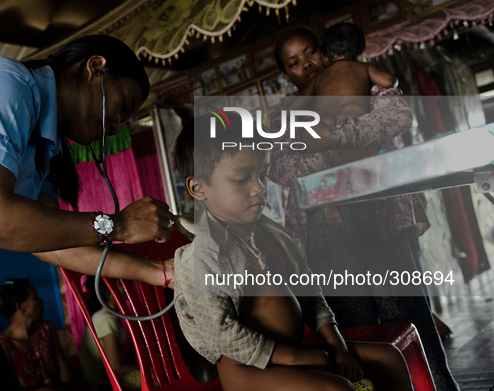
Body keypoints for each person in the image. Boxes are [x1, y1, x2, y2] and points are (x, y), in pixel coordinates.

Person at [0, 34, 175, 390]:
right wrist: (119, 224)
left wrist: (160, 274)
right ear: (95, 68)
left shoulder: (46, 150)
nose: (116, 126)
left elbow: (49, 242)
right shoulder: (5, 82)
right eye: (122, 106)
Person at [270, 27, 460, 391]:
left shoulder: (361, 79)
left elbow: (395, 118)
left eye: (310, 52)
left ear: (325, 51)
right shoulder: (286, 111)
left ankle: (440, 387)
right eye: (294, 62)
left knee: (410, 319)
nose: (306, 64)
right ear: (286, 73)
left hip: (384, 215)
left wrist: (329, 139)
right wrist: (336, 153)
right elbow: (280, 167)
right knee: (358, 330)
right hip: (325, 233)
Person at [172, 114, 414, 391]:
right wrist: (292, 356)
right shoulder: (201, 257)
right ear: (198, 188)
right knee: (336, 389)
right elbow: (219, 333)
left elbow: (312, 297)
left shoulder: (276, 237)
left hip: (294, 355)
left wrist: (337, 345)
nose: (258, 189)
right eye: (241, 180)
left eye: (262, 175)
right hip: (247, 371)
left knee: (388, 357)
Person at [298, 22, 397, 128]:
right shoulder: (364, 67)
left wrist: (282, 115)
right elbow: (388, 81)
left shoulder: (318, 77)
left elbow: (303, 97)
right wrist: (394, 80)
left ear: (325, 58)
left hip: (323, 119)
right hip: (350, 115)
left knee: (317, 136)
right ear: (360, 55)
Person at [0, 279, 72, 390]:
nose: (41, 301)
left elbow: (63, 367)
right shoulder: (4, 345)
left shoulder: (46, 329)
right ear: (21, 306)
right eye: (35, 297)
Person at [79, 276, 141, 391]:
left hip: (107, 380)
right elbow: (116, 367)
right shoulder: (106, 319)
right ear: (109, 294)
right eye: (120, 284)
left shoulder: (104, 316)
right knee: (157, 376)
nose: (125, 287)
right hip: (102, 385)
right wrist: (150, 369)